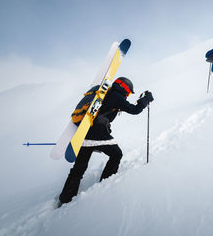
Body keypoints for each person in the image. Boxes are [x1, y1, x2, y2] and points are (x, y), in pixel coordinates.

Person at [58, 77, 154, 206]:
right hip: (98, 135)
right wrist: (146, 99)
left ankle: (65, 198)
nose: (128, 95)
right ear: (125, 88)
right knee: (116, 154)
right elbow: (134, 110)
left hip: (85, 134)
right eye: (129, 92)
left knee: (79, 168)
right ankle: (106, 184)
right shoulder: (116, 96)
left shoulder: (107, 93)